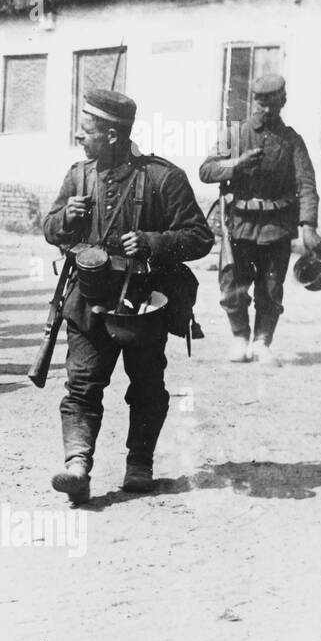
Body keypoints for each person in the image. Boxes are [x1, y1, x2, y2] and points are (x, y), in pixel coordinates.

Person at [43, 88, 213, 503]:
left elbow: (200, 237)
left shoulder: (163, 178)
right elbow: (49, 228)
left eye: (88, 131)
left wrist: (154, 242)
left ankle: (140, 464)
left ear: (114, 136)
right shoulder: (78, 176)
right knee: (82, 384)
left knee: (148, 386)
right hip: (87, 300)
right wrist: (66, 217)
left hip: (144, 303)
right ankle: (77, 465)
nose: (81, 138)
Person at [199, 73, 320, 364]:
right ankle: (240, 338)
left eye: (273, 104)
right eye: (262, 103)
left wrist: (309, 225)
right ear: (254, 101)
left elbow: (306, 184)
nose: (267, 110)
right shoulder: (235, 134)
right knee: (233, 284)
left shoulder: (292, 141)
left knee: (271, 287)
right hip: (239, 224)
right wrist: (235, 165)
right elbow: (206, 170)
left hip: (277, 226)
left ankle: (262, 342)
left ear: (283, 102)